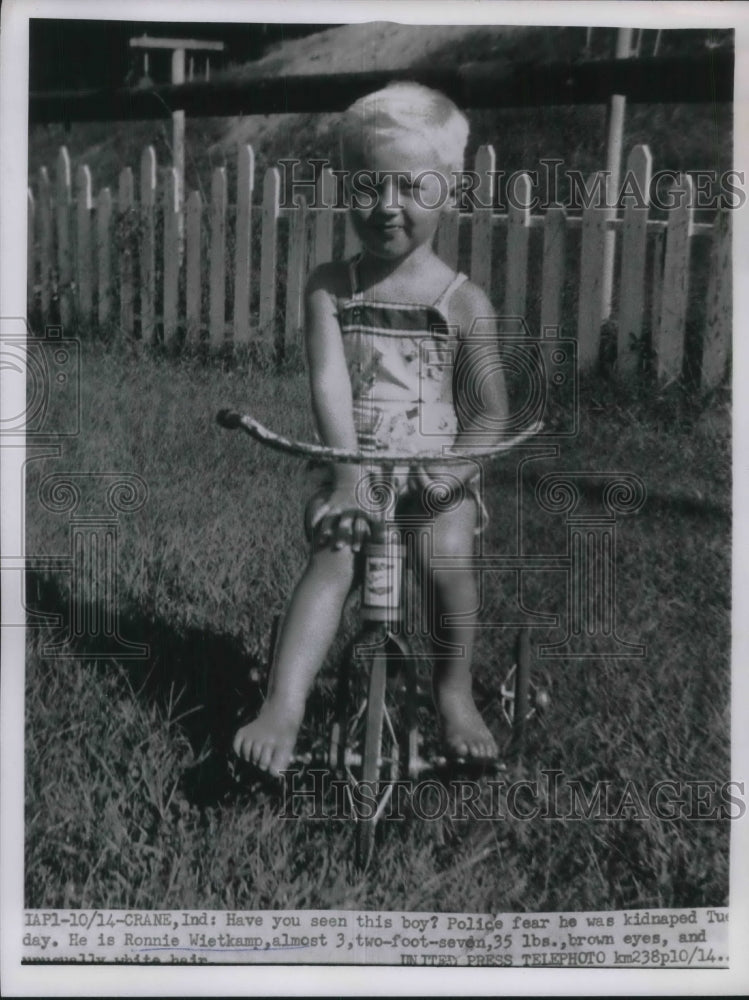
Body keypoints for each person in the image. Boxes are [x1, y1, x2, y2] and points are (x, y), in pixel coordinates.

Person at [233, 82, 508, 777]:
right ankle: (283, 708)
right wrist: (349, 477)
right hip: (351, 463)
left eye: (411, 187)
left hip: (433, 475)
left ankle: (452, 694)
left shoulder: (463, 302)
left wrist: (454, 470)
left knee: (442, 558)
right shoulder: (331, 287)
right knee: (334, 552)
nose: (387, 206)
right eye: (367, 186)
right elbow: (328, 381)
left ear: (448, 189)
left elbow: (488, 412)